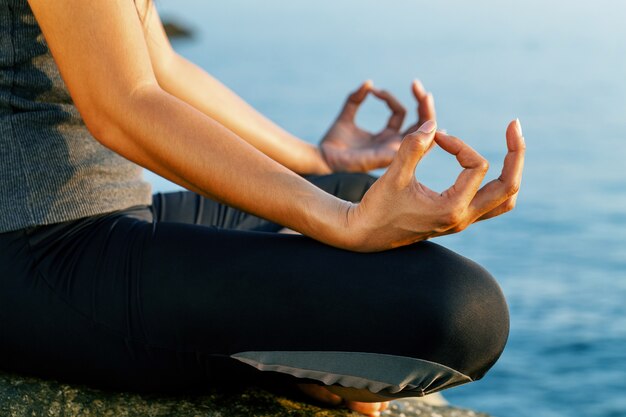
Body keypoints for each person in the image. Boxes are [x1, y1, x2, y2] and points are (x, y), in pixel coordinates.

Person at [0, 0, 525, 415]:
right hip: (31, 246)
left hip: (112, 215)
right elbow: (124, 105)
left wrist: (312, 159)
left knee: (346, 188)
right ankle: (255, 358)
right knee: (463, 312)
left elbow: (160, 65)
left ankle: (265, 344)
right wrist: (341, 225)